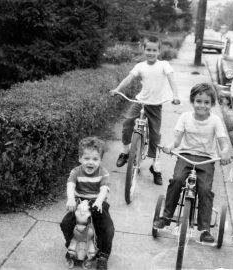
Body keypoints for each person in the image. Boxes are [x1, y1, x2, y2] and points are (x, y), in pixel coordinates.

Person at [153, 83, 231, 243]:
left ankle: (204, 229)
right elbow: (176, 140)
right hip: (185, 156)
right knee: (177, 180)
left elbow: (223, 142)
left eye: (206, 102)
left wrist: (224, 152)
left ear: (212, 104)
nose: (202, 105)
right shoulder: (185, 117)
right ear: (192, 101)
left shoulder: (215, 121)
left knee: (205, 189)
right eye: (198, 101)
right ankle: (166, 217)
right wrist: (169, 146)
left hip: (207, 159)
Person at [110, 35, 180, 185]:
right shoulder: (140, 66)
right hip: (141, 102)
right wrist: (117, 89)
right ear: (143, 49)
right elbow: (129, 78)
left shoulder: (164, 65)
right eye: (148, 49)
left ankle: (156, 166)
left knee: (155, 135)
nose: (150, 52)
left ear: (158, 51)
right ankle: (125, 151)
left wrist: (175, 95)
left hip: (155, 105)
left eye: (154, 50)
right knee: (128, 122)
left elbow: (171, 78)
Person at [60, 137, 115, 270]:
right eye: (87, 158)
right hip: (79, 203)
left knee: (107, 228)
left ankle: (103, 255)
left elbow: (104, 190)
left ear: (100, 160)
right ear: (80, 158)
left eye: (95, 159)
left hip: (97, 203)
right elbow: (70, 185)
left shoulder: (103, 173)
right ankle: (71, 245)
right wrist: (71, 199)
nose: (91, 162)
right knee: (65, 223)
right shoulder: (75, 171)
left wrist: (99, 202)